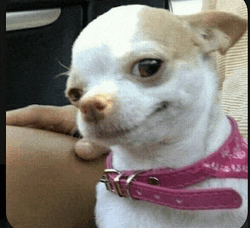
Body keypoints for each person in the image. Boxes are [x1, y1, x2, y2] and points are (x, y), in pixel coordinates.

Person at [6, 0, 247, 227]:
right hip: (122, 185)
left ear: (212, 34)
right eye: (78, 94)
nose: (90, 105)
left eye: (147, 68)